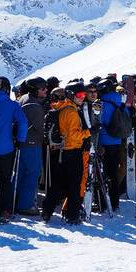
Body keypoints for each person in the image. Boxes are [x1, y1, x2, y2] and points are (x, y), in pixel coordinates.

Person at [0, 76, 28, 221]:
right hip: (5, 146)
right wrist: (21, 139)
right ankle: (4, 210)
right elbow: (23, 122)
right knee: (4, 179)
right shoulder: (12, 104)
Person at [40, 86, 89, 224]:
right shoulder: (71, 112)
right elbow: (73, 136)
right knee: (74, 185)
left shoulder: (62, 108)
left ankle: (47, 210)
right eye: (79, 94)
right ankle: (72, 216)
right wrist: (89, 132)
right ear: (71, 95)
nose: (82, 97)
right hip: (72, 151)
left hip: (61, 152)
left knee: (58, 184)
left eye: (83, 94)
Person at [14, 78, 47, 215]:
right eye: (42, 88)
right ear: (34, 89)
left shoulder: (23, 99)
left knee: (19, 174)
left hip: (22, 143)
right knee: (32, 173)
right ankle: (25, 205)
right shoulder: (34, 106)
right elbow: (40, 128)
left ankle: (13, 201)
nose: (46, 90)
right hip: (32, 143)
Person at [96, 79, 130, 213]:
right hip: (117, 141)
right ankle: (115, 202)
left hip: (104, 141)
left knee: (103, 173)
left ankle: (103, 202)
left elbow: (99, 121)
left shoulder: (102, 104)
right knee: (113, 173)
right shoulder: (120, 102)